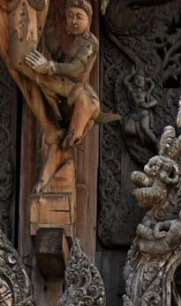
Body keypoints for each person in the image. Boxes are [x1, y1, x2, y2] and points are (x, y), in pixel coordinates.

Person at [23, 0, 100, 189]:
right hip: (64, 87)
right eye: (70, 16)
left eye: (79, 17)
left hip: (75, 88)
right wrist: (50, 41)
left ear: (89, 20)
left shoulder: (90, 43)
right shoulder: (74, 40)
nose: (74, 21)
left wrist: (50, 67)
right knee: (36, 82)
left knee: (39, 77)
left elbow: (77, 69)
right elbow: (64, 59)